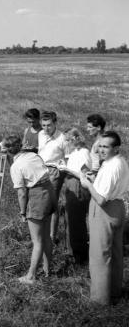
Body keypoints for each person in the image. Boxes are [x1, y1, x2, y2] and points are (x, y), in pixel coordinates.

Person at [80, 131, 129, 305]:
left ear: (116, 148)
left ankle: (100, 299)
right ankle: (115, 291)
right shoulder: (120, 161)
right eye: (100, 146)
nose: (101, 150)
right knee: (116, 252)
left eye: (106, 147)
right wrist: (95, 180)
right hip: (118, 208)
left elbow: (100, 199)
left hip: (105, 211)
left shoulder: (112, 166)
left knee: (100, 255)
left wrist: (87, 184)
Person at [1, 135, 56, 284]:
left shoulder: (16, 166)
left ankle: (31, 276)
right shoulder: (33, 155)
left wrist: (23, 212)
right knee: (46, 236)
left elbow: (22, 193)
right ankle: (47, 268)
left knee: (37, 241)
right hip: (49, 191)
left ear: (8, 150)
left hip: (37, 197)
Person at [58, 128, 92, 264]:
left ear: (76, 139)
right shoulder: (75, 152)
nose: (67, 143)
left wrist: (66, 169)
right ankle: (72, 251)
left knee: (76, 221)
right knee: (70, 219)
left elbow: (83, 175)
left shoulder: (84, 153)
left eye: (68, 140)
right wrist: (64, 165)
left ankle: (80, 255)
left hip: (78, 186)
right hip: (70, 184)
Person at [38, 111, 68, 243]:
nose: (46, 128)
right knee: (41, 201)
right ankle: (40, 234)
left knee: (52, 203)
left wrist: (60, 170)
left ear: (55, 123)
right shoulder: (41, 134)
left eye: (49, 125)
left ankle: (52, 236)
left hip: (54, 171)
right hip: (40, 169)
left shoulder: (62, 138)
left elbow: (67, 157)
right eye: (43, 125)